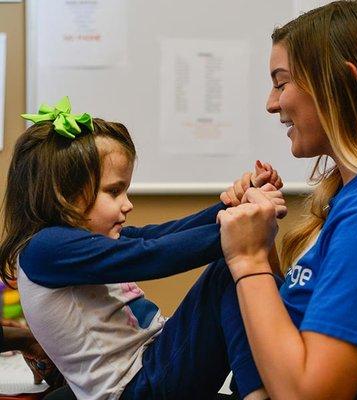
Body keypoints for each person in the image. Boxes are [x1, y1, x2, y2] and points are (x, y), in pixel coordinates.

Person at [0, 96, 286, 400]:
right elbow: (152, 254)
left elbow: (161, 235)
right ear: (64, 195)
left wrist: (233, 207)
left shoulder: (76, 244)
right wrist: (242, 228)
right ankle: (262, 393)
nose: (128, 204)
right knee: (228, 272)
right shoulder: (45, 249)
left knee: (231, 265)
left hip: (151, 367)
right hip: (136, 389)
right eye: (114, 191)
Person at [217, 1, 357, 399]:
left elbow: (307, 393)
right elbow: (297, 330)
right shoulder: (355, 197)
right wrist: (262, 251)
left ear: (342, 82)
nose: (271, 103)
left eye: (282, 83)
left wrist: (246, 262)